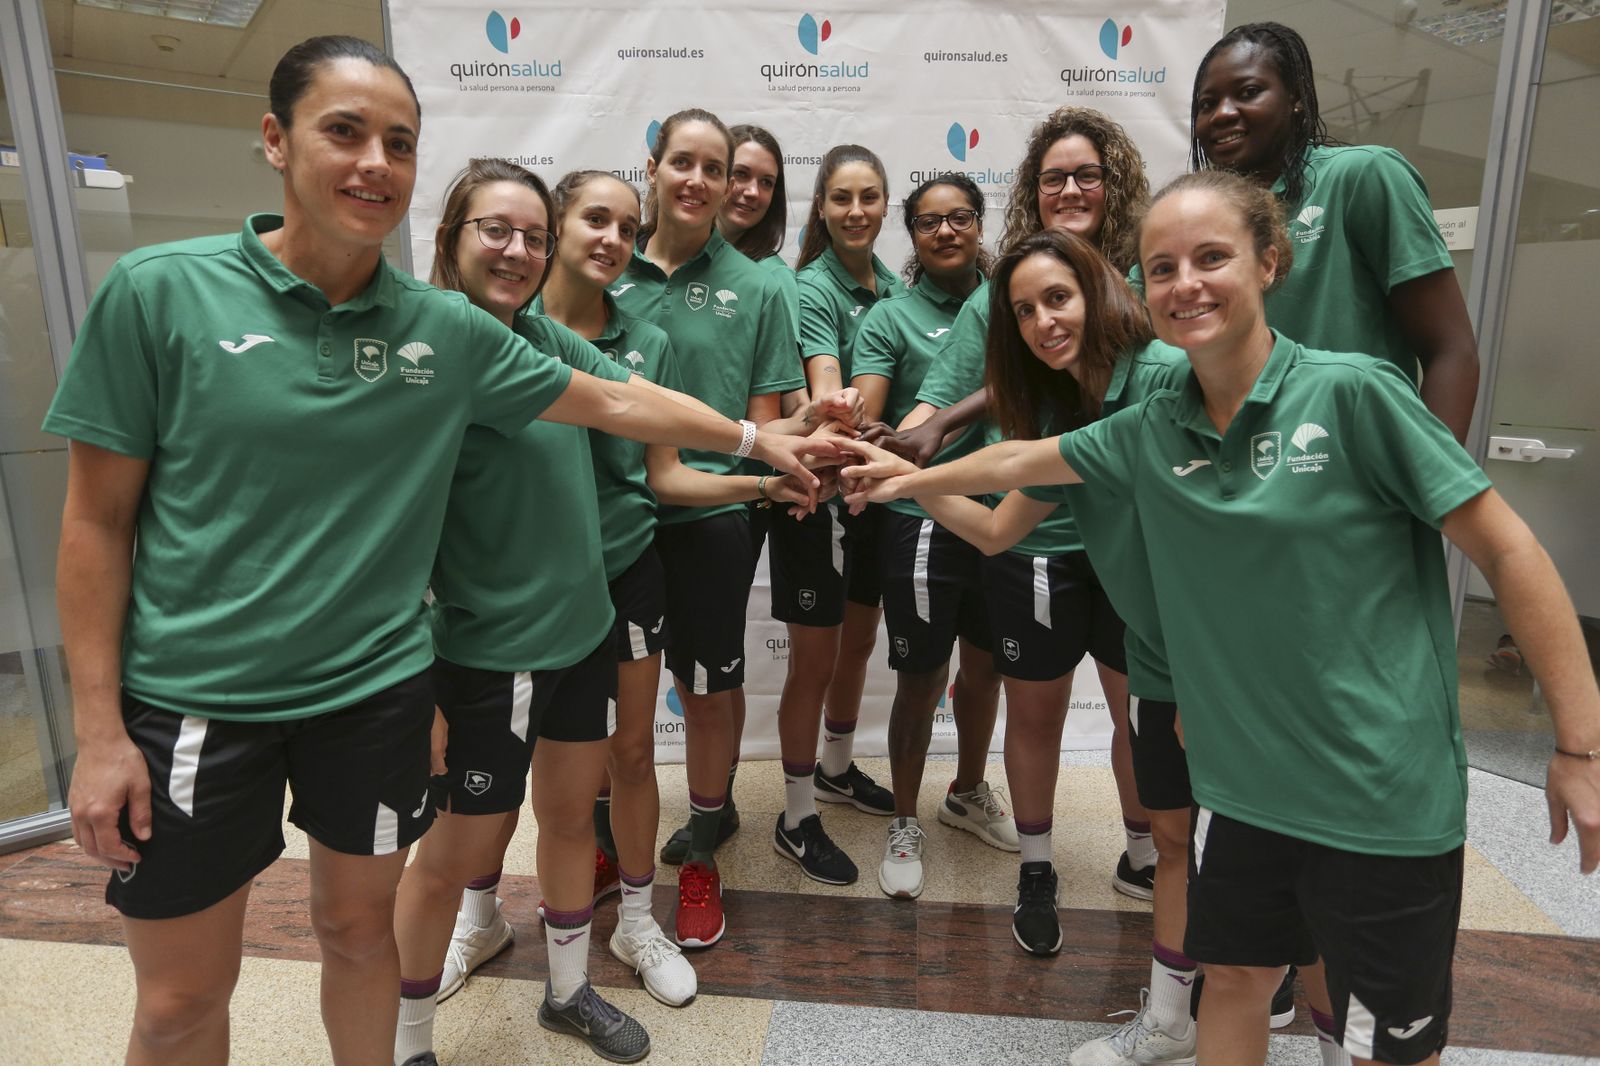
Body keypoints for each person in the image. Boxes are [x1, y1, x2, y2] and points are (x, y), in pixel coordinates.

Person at [48, 38, 826, 1066]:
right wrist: (99, 731)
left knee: (359, 934)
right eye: (344, 131)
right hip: (198, 702)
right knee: (184, 1002)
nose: (374, 161)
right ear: (275, 141)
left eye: (399, 142)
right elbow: (95, 523)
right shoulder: (160, 293)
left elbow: (619, 398)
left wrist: (752, 437)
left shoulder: (444, 333)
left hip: (371, 696)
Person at [839, 169, 1600, 1066]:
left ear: (1270, 261)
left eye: (1211, 258)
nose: (1185, 284)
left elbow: (1510, 550)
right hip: (1240, 788)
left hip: (1379, 796)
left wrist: (1578, 746)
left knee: (1377, 1047)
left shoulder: (1354, 394)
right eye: (1163, 267)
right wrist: (902, 475)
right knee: (1234, 981)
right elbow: (1019, 464)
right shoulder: (1153, 424)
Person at [1191, 21, 1485, 1059]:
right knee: (1268, 819)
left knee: (1363, 762)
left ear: (1299, 98)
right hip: (1261, 548)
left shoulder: (1363, 181)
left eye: (1248, 92)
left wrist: (1417, 492)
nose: (1225, 114)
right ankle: (1293, 987)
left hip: (1358, 522)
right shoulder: (1214, 229)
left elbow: (1448, 346)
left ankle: (1352, 1014)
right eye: (1208, 101)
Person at [883, 107, 1159, 904]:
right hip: (1046, 533)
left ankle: (1148, 853)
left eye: (1086, 174)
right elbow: (978, 430)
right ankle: (1038, 868)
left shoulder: (1155, 311)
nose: (1045, 321)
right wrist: (896, 459)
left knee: (1143, 716)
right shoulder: (1001, 295)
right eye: (1051, 178)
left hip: (1141, 548)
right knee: (1027, 708)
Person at [611, 108, 818, 948]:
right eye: (683, 162)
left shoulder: (764, 283)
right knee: (605, 703)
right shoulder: (600, 264)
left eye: (717, 168)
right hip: (610, 517)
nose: (700, 180)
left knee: (705, 691)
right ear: (653, 165)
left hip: (711, 519)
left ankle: (700, 852)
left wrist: (788, 472)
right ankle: (601, 844)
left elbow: (766, 424)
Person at [847, 172, 1009, 899]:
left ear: (980, 225)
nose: (946, 231)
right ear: (910, 238)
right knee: (922, 679)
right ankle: (904, 820)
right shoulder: (889, 317)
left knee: (987, 670)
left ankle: (968, 792)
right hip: (920, 523)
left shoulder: (1016, 300)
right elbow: (873, 417)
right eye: (929, 222)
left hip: (1004, 515)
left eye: (960, 217)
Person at [759, 144, 909, 887]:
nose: (856, 210)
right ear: (820, 207)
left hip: (873, 491)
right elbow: (824, 377)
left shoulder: (891, 287)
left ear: (886, 205)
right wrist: (840, 409)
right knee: (813, 660)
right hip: (816, 494)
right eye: (841, 197)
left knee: (859, 641)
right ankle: (794, 816)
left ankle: (836, 769)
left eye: (870, 196)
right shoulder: (807, 286)